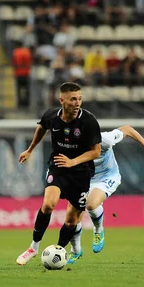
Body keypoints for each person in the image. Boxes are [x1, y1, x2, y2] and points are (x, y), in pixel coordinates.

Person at [16, 82, 102, 266]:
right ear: (62, 100)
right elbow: (41, 128)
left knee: (71, 220)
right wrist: (30, 149)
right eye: (73, 99)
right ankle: (33, 247)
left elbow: (95, 151)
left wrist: (73, 161)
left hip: (81, 172)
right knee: (48, 204)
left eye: (79, 98)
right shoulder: (51, 116)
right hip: (58, 167)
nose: (77, 102)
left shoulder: (89, 121)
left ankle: (59, 251)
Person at [67, 126, 144, 264]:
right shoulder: (72, 148)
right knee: (72, 219)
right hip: (84, 180)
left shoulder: (105, 139)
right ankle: (76, 251)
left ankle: (98, 230)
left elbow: (127, 129)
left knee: (91, 204)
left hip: (107, 177)